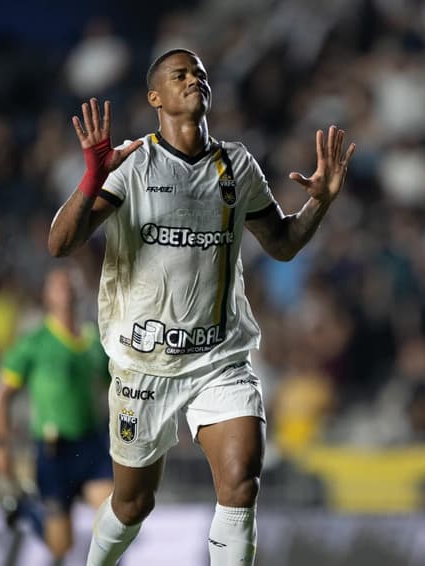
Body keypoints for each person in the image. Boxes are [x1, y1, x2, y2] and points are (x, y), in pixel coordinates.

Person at [47, 48, 355, 566]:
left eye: (200, 74)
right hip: (143, 363)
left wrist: (318, 202)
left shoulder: (235, 164)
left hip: (219, 358)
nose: (194, 79)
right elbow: (60, 243)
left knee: (240, 482)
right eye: (180, 74)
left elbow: (281, 243)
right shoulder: (132, 164)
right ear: (155, 97)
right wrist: (91, 177)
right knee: (132, 503)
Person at [0, 267, 113, 559]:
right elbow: (1, 395)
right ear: (47, 296)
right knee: (61, 545)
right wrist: (0, 445)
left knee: (115, 519)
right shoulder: (34, 343)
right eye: (58, 285)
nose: (66, 289)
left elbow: (116, 388)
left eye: (70, 283)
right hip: (54, 452)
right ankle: (25, 510)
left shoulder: (95, 342)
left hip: (91, 444)